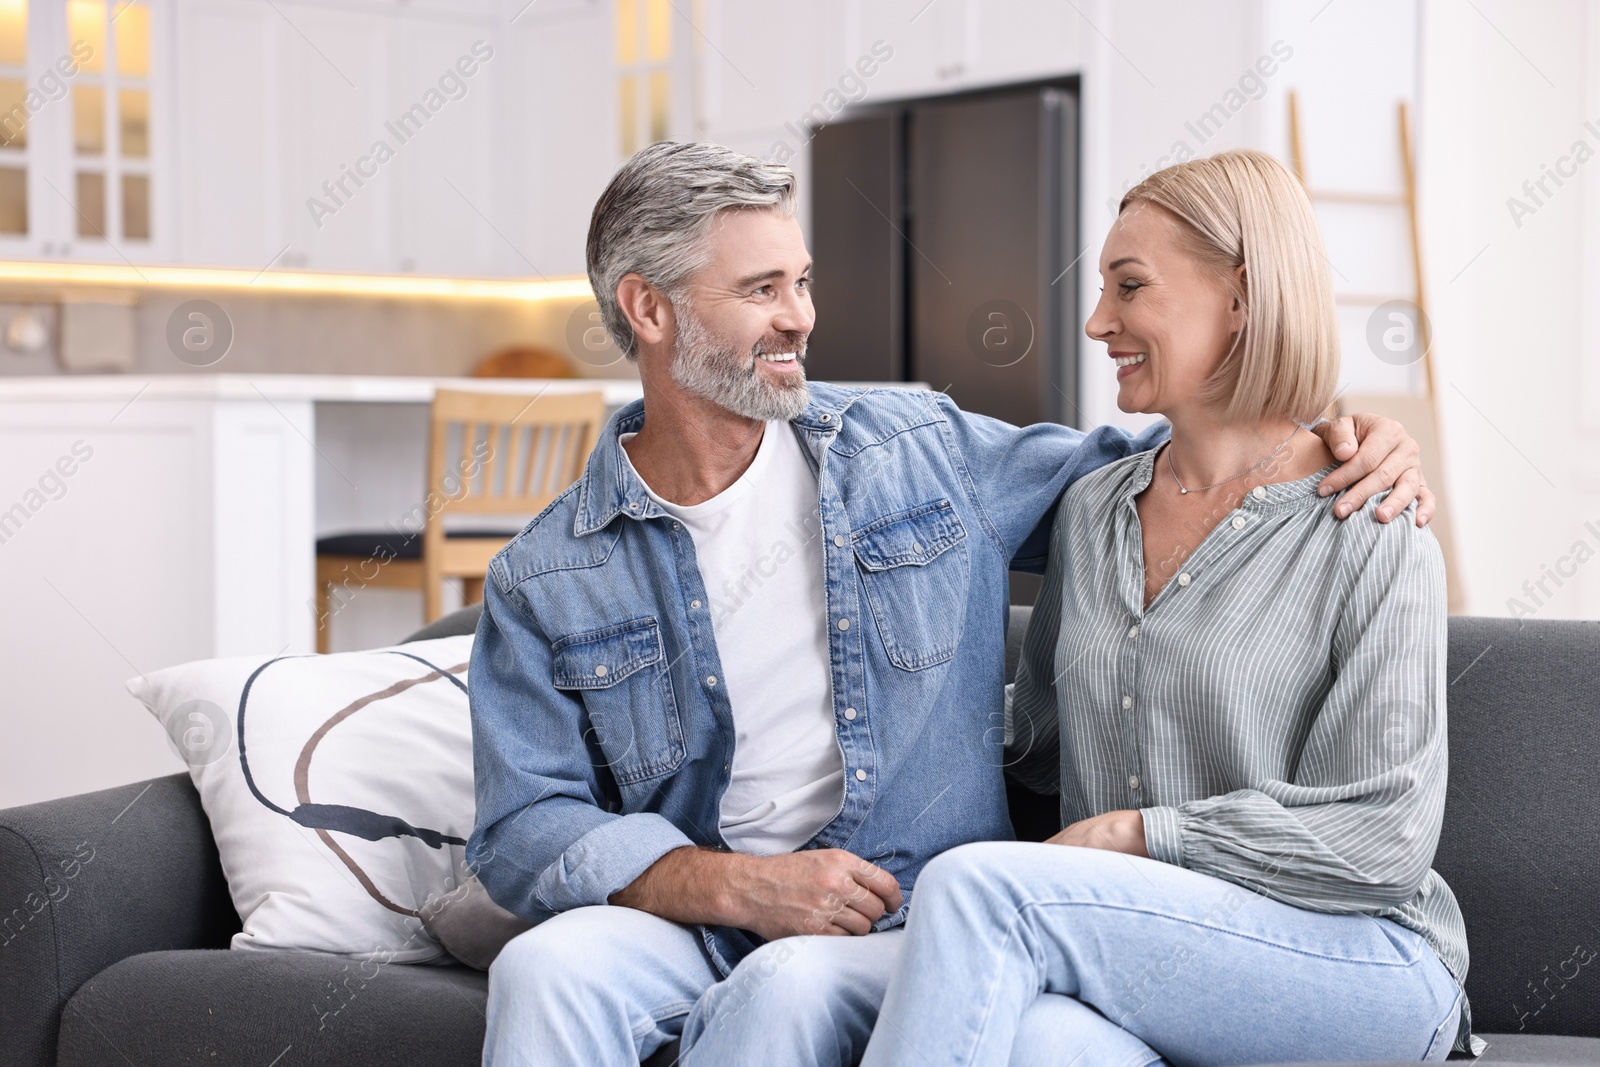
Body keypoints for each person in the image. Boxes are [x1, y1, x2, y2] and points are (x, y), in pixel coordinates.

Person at [466, 140, 1435, 1067]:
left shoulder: (917, 454)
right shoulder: (547, 574)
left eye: (800, 281)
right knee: (545, 966)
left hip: (913, 900)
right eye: (762, 289)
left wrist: (1341, 435)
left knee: (800, 983)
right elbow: (519, 827)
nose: (801, 316)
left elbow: (1204, 471)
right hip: (709, 909)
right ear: (647, 308)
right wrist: (728, 884)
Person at [858, 149, 1474, 1067]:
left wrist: (1138, 835)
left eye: (1131, 286)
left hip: (1353, 957)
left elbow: (1379, 837)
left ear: (1242, 296)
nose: (1098, 320)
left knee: (984, 890)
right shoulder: (1095, 510)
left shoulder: (1370, 524)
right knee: (1043, 1044)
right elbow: (1037, 756)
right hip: (1142, 949)